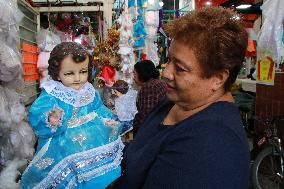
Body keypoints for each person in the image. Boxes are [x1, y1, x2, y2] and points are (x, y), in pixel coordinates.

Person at [114, 7, 250, 189]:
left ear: (217, 79)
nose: (166, 72)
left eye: (180, 68)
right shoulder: (174, 102)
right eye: (169, 60)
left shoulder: (212, 145)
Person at [21, 42, 124, 189]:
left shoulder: (89, 90)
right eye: (69, 73)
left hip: (93, 139)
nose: (77, 78)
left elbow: (98, 107)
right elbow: (38, 112)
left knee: (99, 174)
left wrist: (107, 118)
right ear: (57, 73)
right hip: (63, 141)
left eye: (83, 72)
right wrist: (51, 117)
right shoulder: (53, 92)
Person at [132, 60, 167, 136]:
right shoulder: (159, 82)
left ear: (142, 73)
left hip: (152, 133)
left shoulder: (149, 87)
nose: (133, 77)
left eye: (134, 73)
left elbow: (145, 116)